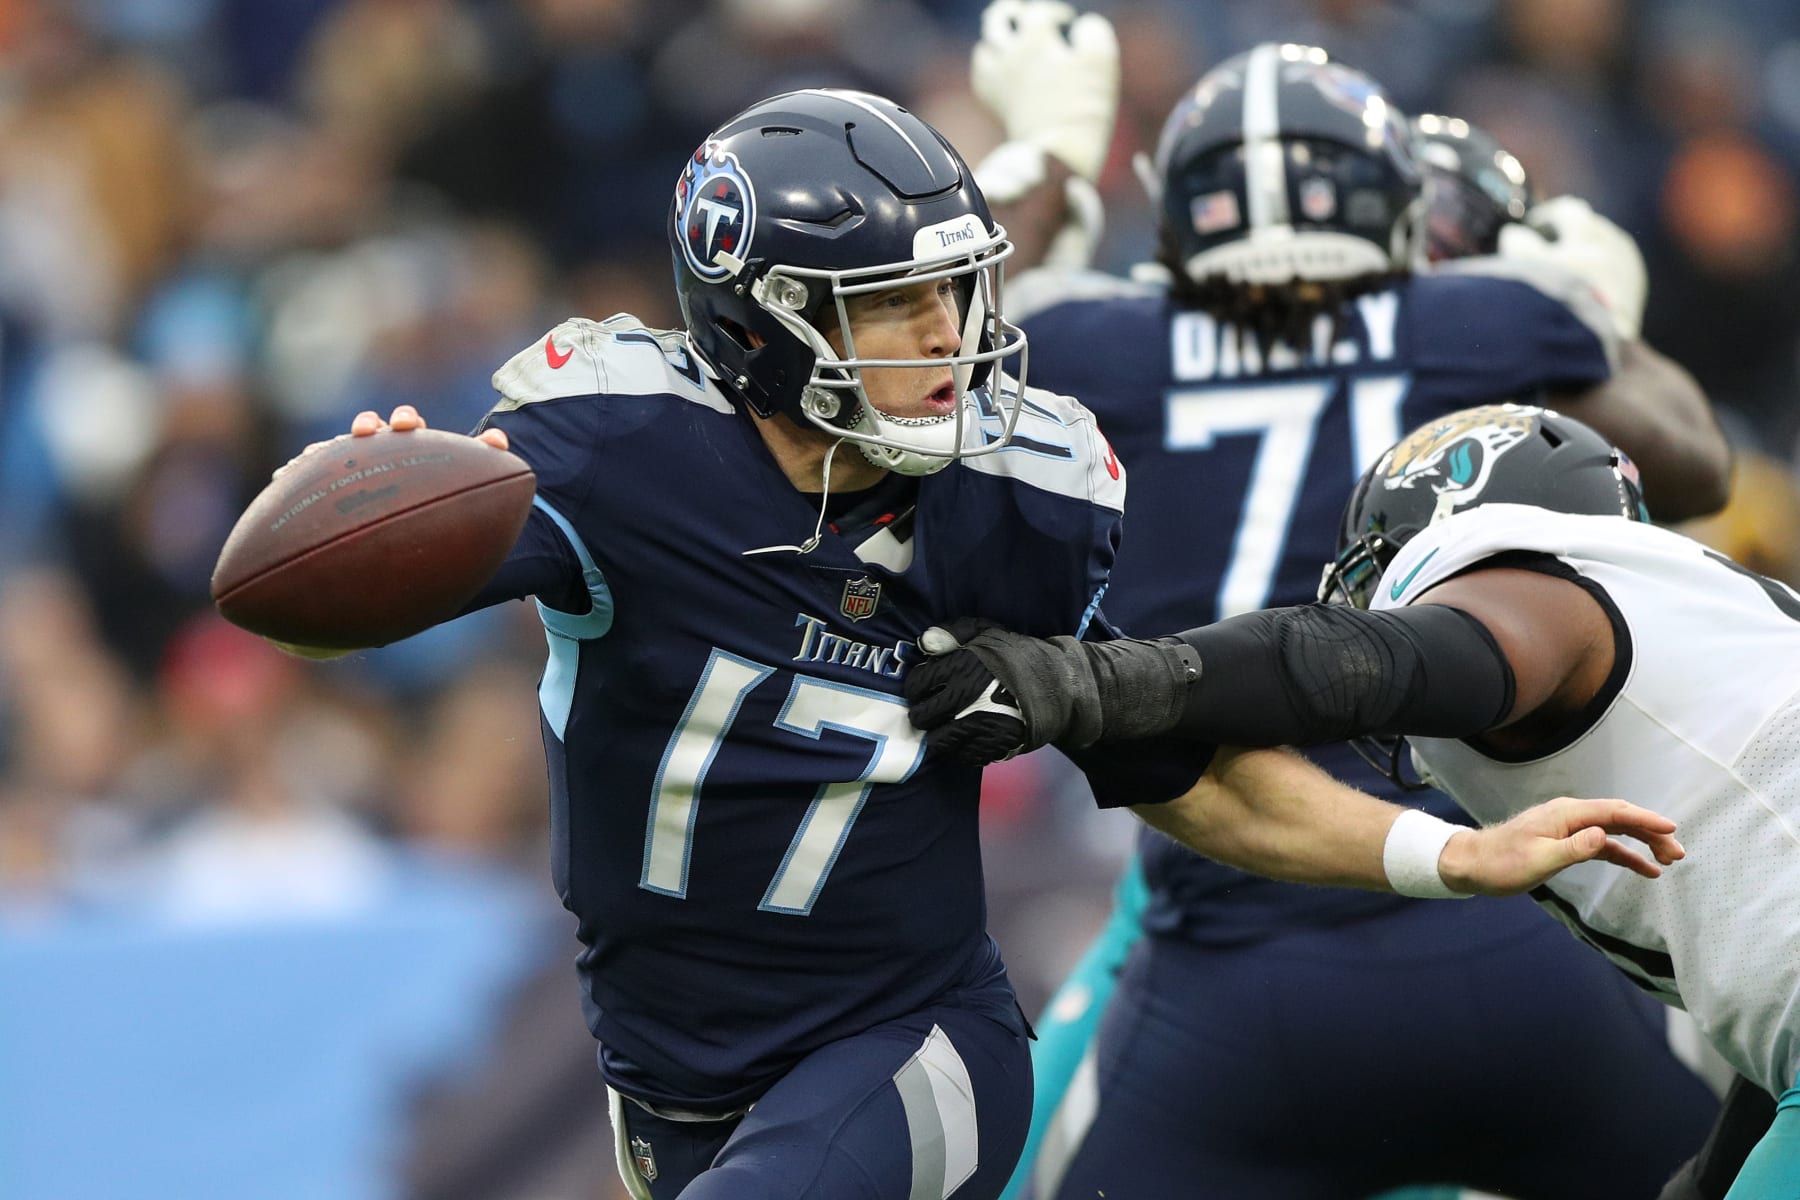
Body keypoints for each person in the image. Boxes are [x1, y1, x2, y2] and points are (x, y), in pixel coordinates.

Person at [266, 89, 1688, 1200]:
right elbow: (311, 587)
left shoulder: (1024, 494)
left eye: (956, 292)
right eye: (894, 303)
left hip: (913, 1044)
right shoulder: (623, 448)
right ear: (759, 325)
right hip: (667, 1076)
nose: (946, 338)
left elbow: (1185, 765)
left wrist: (1444, 853)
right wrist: (377, 495)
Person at [964, 12, 1731, 1199]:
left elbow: (938, 349)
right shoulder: (1482, 318)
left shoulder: (1084, 340)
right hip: (1515, 930)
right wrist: (1586, 299)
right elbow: (1692, 468)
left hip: (1236, 965)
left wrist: (1046, 164)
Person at [902, 401, 1800, 1200]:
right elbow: (1770, 1012)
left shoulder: (1536, 587)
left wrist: (1091, 678)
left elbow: (1352, 663)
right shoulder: (1691, 641)